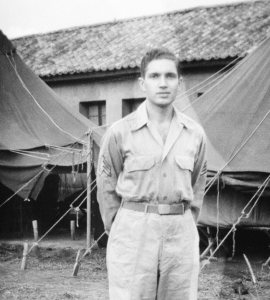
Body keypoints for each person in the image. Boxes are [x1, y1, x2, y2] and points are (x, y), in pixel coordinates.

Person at [97, 47, 207, 300]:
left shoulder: (195, 133)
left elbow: (198, 183)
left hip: (180, 231)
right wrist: (120, 226)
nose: (163, 83)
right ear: (142, 83)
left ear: (180, 82)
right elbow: (105, 185)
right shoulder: (120, 132)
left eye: (170, 76)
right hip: (134, 230)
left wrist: (186, 221)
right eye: (154, 76)